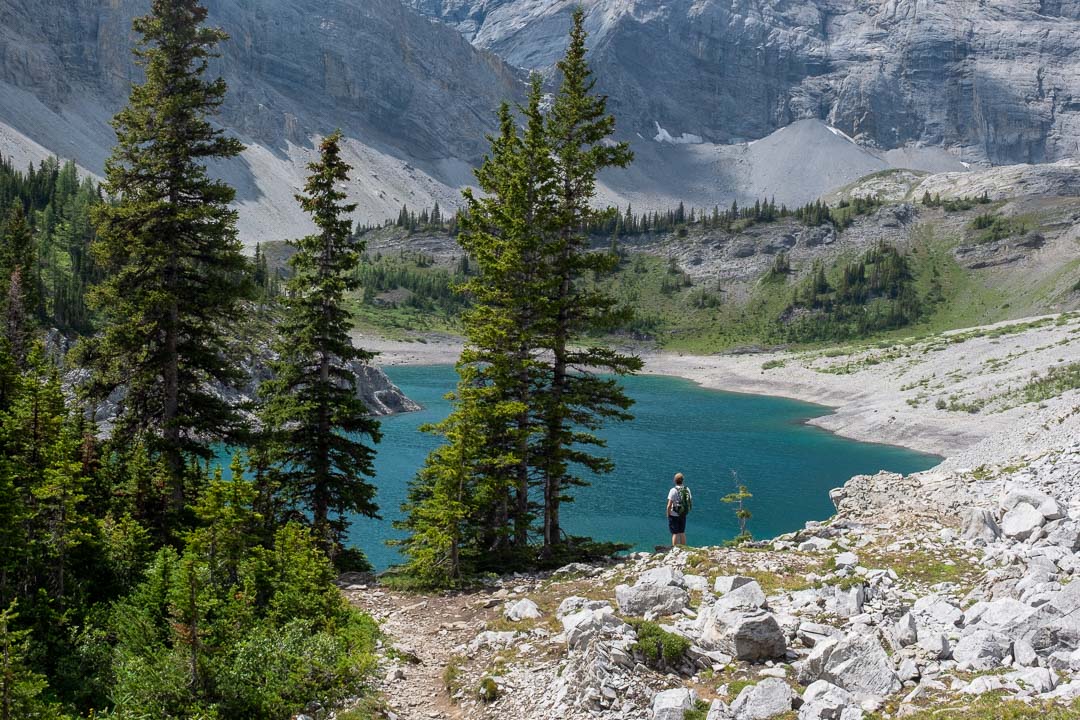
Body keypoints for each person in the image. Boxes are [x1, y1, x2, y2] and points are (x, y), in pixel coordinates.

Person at [666, 472, 692, 547]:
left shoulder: (673, 490)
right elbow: (690, 500)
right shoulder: (687, 489)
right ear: (682, 480)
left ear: (675, 480)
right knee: (682, 532)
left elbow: (669, 505)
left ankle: (674, 549)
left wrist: (668, 514)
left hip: (674, 514)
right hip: (683, 513)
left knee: (675, 533)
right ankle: (684, 548)